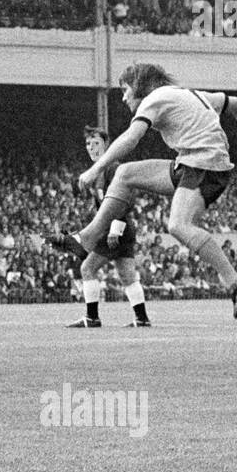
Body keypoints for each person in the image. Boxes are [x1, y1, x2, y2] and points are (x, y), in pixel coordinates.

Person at [46, 63, 237, 319]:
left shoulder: (155, 98)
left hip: (202, 163)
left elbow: (131, 137)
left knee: (178, 226)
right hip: (191, 163)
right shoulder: (190, 94)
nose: (124, 96)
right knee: (125, 174)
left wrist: (95, 169)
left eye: (125, 89)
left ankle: (235, 284)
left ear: (139, 86)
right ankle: (85, 238)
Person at [65, 126, 150, 328]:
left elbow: (126, 200)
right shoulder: (99, 172)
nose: (91, 148)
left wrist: (115, 230)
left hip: (117, 228)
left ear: (107, 145)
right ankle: (142, 318)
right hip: (122, 229)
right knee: (127, 275)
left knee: (87, 268)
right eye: (88, 144)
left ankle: (92, 318)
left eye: (96, 144)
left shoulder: (113, 168)